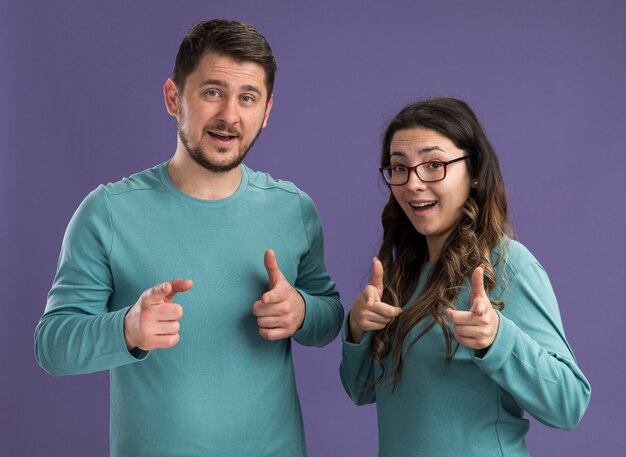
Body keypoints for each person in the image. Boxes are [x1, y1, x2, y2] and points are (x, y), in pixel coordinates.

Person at [35, 19, 343, 457]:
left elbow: (328, 317)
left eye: (247, 98)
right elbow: (52, 346)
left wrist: (302, 311)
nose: (230, 115)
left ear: (267, 112)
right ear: (173, 97)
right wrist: (126, 329)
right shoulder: (107, 212)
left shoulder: (294, 209)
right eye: (212, 92)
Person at [340, 97, 591, 456]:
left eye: (434, 165)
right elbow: (362, 390)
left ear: (474, 173)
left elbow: (569, 405)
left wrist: (497, 339)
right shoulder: (400, 272)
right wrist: (358, 329)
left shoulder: (508, 265)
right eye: (399, 168)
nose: (412, 184)